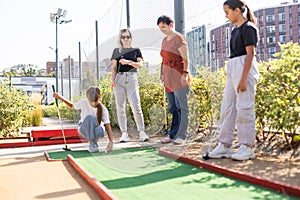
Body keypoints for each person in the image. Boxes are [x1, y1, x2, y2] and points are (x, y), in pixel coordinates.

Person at [208, 0, 259, 161]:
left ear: (237, 10)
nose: (226, 15)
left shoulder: (249, 28)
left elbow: (250, 54)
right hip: (233, 65)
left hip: (245, 66)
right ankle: (225, 145)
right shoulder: (234, 30)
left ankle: (246, 147)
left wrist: (243, 79)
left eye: (227, 11)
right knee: (228, 107)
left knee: (244, 106)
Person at [157, 15, 191, 145]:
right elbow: (163, 59)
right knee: (172, 107)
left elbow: (186, 58)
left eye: (164, 27)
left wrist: (185, 74)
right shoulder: (164, 40)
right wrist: (162, 74)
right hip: (168, 78)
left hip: (178, 76)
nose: (162, 30)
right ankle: (173, 134)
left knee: (181, 107)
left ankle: (182, 135)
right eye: (160, 28)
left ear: (171, 25)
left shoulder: (179, 39)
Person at [111, 28, 149, 142]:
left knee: (136, 105)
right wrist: (113, 81)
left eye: (128, 37)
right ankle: (124, 133)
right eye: (123, 37)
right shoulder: (116, 51)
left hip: (132, 78)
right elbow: (113, 67)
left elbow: (140, 65)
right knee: (120, 107)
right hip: (119, 78)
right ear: (120, 39)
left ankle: (142, 132)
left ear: (131, 38)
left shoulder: (136, 50)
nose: (126, 39)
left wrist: (128, 62)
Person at [53, 86, 113, 153]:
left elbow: (107, 126)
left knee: (100, 129)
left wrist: (111, 142)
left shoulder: (103, 109)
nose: (93, 104)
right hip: (83, 129)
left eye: (95, 101)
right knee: (89, 118)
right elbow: (72, 106)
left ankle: (94, 142)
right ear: (87, 98)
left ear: (99, 98)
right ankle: (92, 143)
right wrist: (60, 97)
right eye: (91, 101)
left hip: (97, 131)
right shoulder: (83, 102)